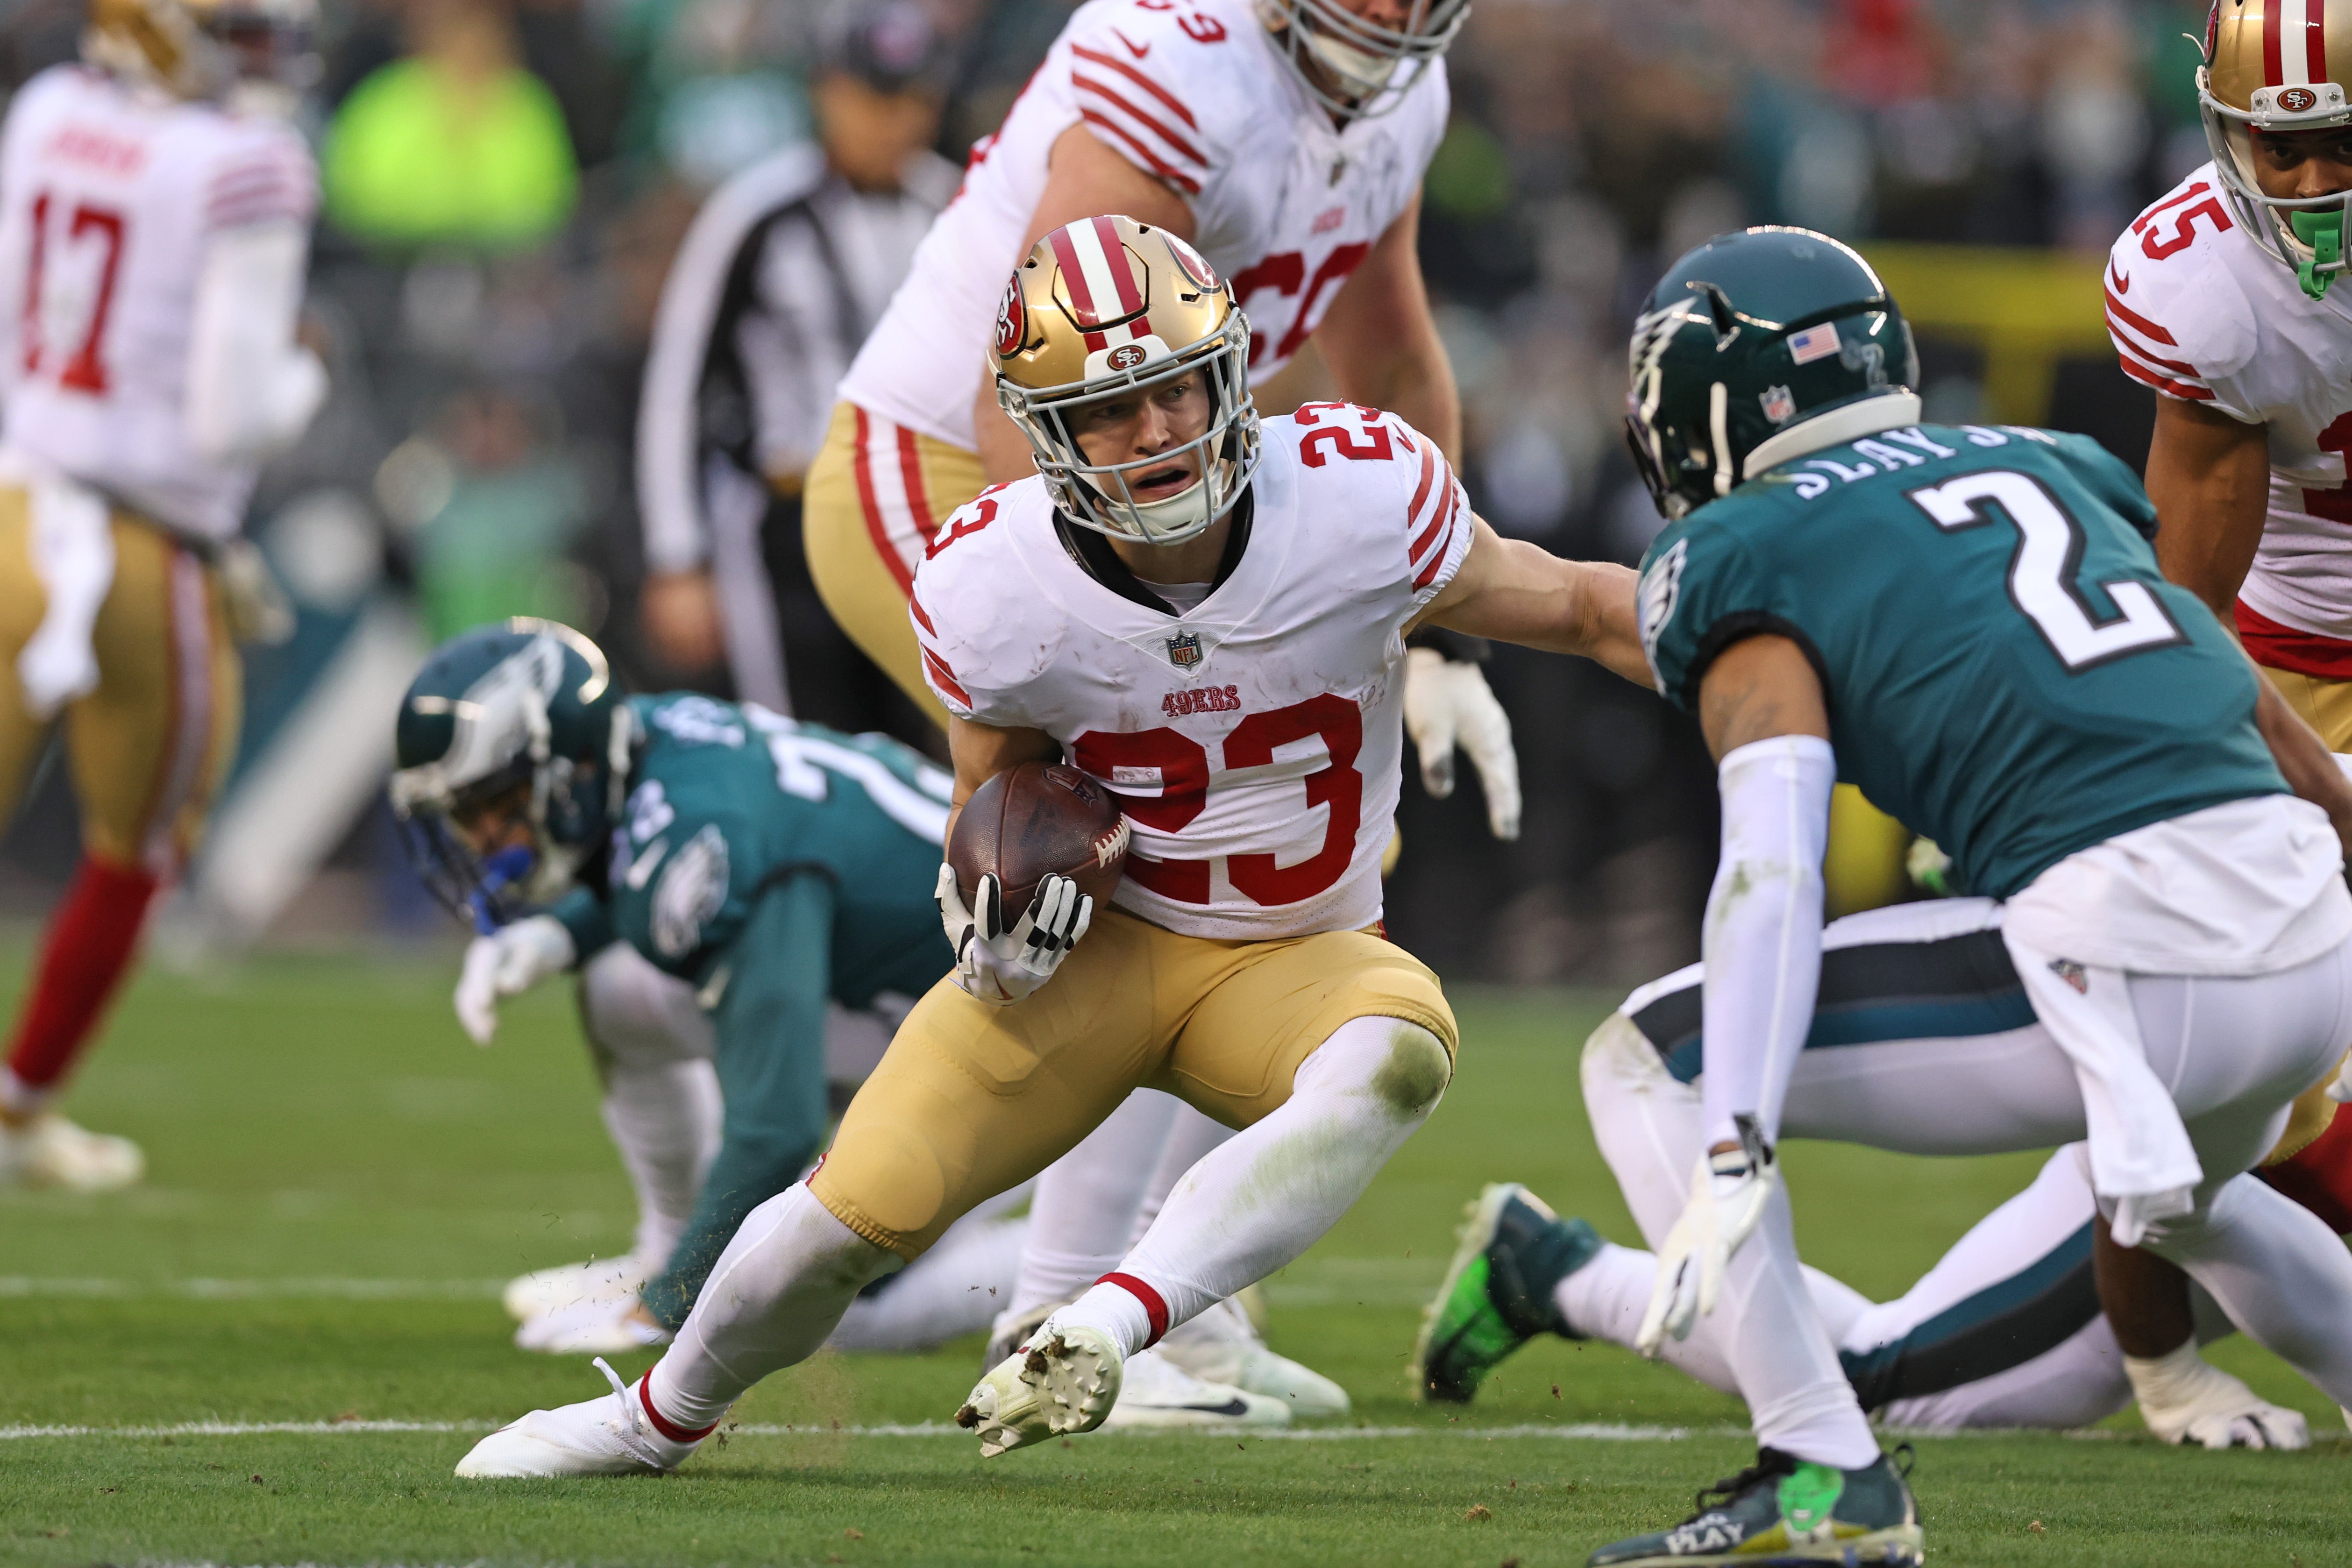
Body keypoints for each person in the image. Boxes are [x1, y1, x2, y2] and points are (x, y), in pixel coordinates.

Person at [449, 215, 1650, 1479]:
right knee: (840, 1218)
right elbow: (997, 801)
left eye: (1177, 388)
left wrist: (1742, 637)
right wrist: (995, 910)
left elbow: (1575, 603)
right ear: (1050, 435)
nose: (1159, 430)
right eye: (1114, 409)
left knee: (1395, 1053)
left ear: (1224, 375)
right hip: (1103, 957)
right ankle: (650, 1416)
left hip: (1296, 958)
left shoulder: (1354, 497)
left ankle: (1107, 1320)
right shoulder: (997, 585)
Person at [1521, 225, 2352, 1568]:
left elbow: (1774, 860)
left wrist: (1734, 1126)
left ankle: (1820, 1465)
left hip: (2138, 955)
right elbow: (2225, 675)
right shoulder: (2038, 459)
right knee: (2193, 1192)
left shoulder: (1739, 547)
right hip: (2308, 939)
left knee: (1646, 1061)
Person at [803, 0, 1521, 1395]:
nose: (1384, 13)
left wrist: (1442, 629)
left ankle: (1151, 1290)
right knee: (1144, 868)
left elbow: (1387, 364)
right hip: (962, 467)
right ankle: (1066, 1309)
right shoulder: (1181, 59)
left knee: (1299, 872)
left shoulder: (1397, 106)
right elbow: (1039, 369)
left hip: (1128, 504)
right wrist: (1118, 637)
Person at [392, 618, 1296, 1426]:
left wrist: (666, 1308)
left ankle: (1156, 1267)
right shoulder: (661, 737)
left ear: (571, 763)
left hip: (1023, 1013)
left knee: (837, 1291)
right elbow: (640, 860)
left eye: (497, 810)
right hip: (926, 987)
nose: (488, 844)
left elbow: (774, 1126)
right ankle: (664, 1245)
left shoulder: (707, 838)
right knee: (620, 984)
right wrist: (559, 930)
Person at [1416, 894, 2349, 1448]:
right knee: (1891, 1383)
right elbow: (2162, 1183)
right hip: (2176, 1156)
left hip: (2225, 1152)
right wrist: (2163, 1363)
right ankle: (1557, 1271)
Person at [0, 0, 326, 1189]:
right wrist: (304, 376)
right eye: (234, 29)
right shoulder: (247, 163)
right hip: (145, 547)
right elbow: (232, 411)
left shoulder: (46, 110)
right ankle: (21, 1108)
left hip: (14, 506)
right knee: (138, 843)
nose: (262, 55)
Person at [2102, 0, 2352, 1384]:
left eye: (2342, 146)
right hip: (2298, 665)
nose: (2310, 186)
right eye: (2280, 147)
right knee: (2228, 1066)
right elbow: (2191, 608)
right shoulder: (2204, 283)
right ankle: (2147, 1349)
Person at [635, 0, 959, 726]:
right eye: (875, 96)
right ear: (827, 92)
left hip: (920, 516)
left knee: (931, 740)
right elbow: (680, 382)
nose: (895, 120)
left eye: (913, 97)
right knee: (801, 739)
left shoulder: (954, 206)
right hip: (788, 517)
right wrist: (676, 555)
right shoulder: (756, 212)